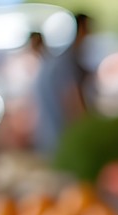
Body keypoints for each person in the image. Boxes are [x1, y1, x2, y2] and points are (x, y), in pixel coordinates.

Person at [33, 13, 92, 157]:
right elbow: (72, 98)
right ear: (82, 29)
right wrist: (86, 129)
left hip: (50, 137)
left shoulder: (51, 64)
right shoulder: (66, 62)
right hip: (62, 138)